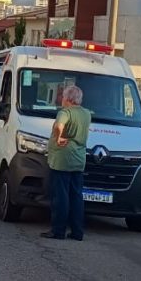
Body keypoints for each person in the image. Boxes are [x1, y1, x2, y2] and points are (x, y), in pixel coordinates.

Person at [42, 85, 91, 241]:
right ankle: (77, 232)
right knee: (76, 196)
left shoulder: (65, 112)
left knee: (60, 196)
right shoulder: (86, 113)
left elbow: (59, 125)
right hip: (79, 158)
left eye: (63, 96)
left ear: (69, 99)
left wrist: (59, 137)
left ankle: (58, 230)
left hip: (62, 159)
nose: (61, 99)